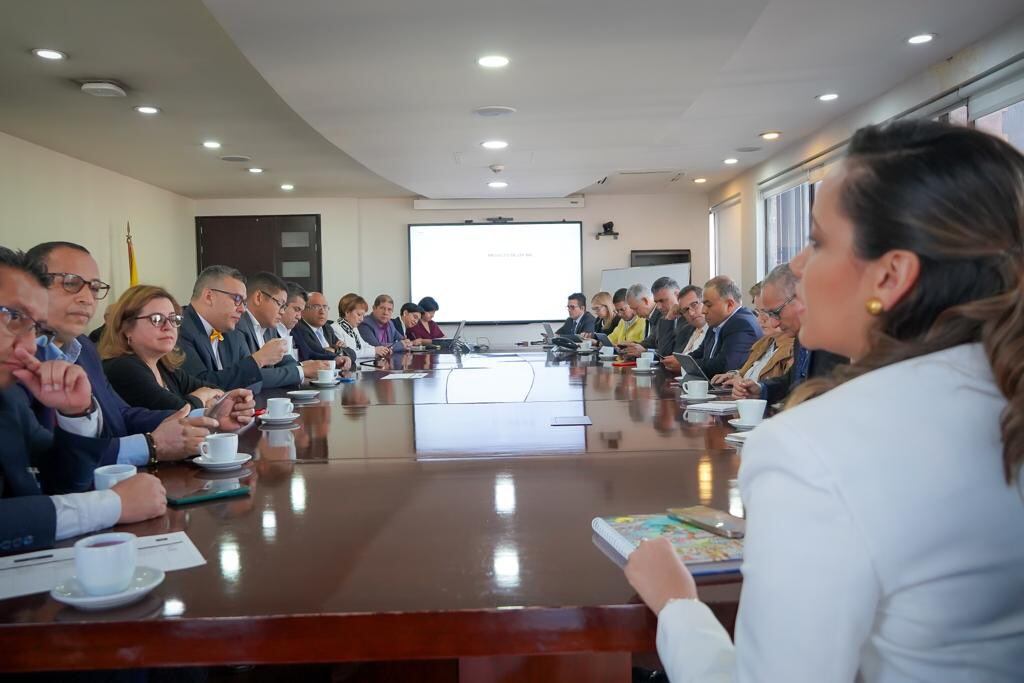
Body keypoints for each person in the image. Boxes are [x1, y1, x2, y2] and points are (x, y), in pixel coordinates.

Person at [624, 120, 1024, 682]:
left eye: (818, 242)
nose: (799, 267)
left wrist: (677, 606)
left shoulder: (814, 448)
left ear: (889, 276)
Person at [26, 243, 252, 467]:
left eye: (94, 288)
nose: (87, 299)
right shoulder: (19, 360)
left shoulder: (83, 348)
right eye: (71, 283)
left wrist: (211, 414)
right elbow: (48, 461)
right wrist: (151, 445)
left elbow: (121, 415)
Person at [0, 247, 166, 553]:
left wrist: (76, 413)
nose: (27, 344)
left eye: (33, 327)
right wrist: (111, 505)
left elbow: (58, 483)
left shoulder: (7, 397)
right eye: (12, 316)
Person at [731, 265, 846, 402]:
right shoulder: (800, 333)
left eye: (776, 313)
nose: (774, 323)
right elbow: (793, 380)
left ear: (800, 298)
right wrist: (762, 390)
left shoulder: (837, 336)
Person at [99, 285, 225, 411]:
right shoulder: (122, 368)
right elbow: (179, 415)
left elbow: (219, 392)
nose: (169, 326)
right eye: (157, 319)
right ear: (127, 328)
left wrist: (209, 399)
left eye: (173, 318)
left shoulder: (165, 367)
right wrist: (203, 396)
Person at [235, 271, 331, 388]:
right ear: (258, 298)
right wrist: (301, 371)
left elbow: (285, 360)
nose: (282, 311)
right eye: (280, 304)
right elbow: (249, 376)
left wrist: (302, 368)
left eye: (284, 307)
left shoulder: (269, 327)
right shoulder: (238, 326)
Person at [710, 269, 795, 386]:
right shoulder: (765, 342)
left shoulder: (795, 349)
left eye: (767, 313)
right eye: (758, 312)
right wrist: (734, 374)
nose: (760, 320)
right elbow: (748, 372)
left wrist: (744, 383)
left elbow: (783, 390)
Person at [687, 276, 761, 377]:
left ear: (729, 305)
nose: (703, 311)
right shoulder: (716, 323)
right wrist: (684, 360)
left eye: (708, 305)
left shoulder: (742, 324)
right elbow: (699, 353)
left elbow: (723, 366)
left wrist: (686, 365)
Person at [291, 291, 355, 369]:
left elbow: (352, 353)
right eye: (316, 307)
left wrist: (336, 350)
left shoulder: (327, 328)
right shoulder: (299, 328)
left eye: (325, 307)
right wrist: (338, 352)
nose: (322, 311)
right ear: (303, 309)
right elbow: (317, 353)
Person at [623, 277, 679, 358]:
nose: (659, 307)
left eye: (662, 301)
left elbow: (666, 353)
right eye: (656, 302)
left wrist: (645, 352)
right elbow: (653, 341)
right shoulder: (656, 316)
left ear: (677, 295)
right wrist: (634, 346)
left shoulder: (684, 318)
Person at [660, 285, 709, 374]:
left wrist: (683, 366)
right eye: (685, 310)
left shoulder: (715, 331)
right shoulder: (686, 330)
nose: (691, 313)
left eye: (694, 305)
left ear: (705, 303)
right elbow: (665, 354)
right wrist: (669, 317)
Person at [332, 294, 386, 360]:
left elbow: (364, 345)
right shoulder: (335, 329)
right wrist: (374, 351)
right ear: (347, 312)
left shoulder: (353, 328)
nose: (362, 319)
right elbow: (349, 353)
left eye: (363, 315)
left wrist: (381, 349)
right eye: (359, 314)